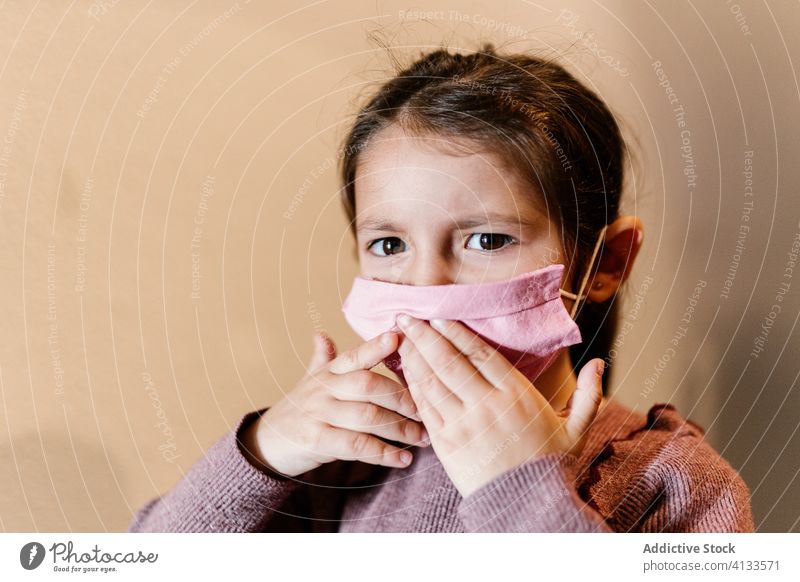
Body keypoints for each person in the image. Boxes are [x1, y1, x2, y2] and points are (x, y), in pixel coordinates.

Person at [128, 43, 754, 533]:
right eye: (390, 245)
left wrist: (520, 490)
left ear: (606, 262)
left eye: (486, 240)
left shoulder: (674, 479)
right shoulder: (345, 464)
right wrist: (265, 452)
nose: (425, 287)